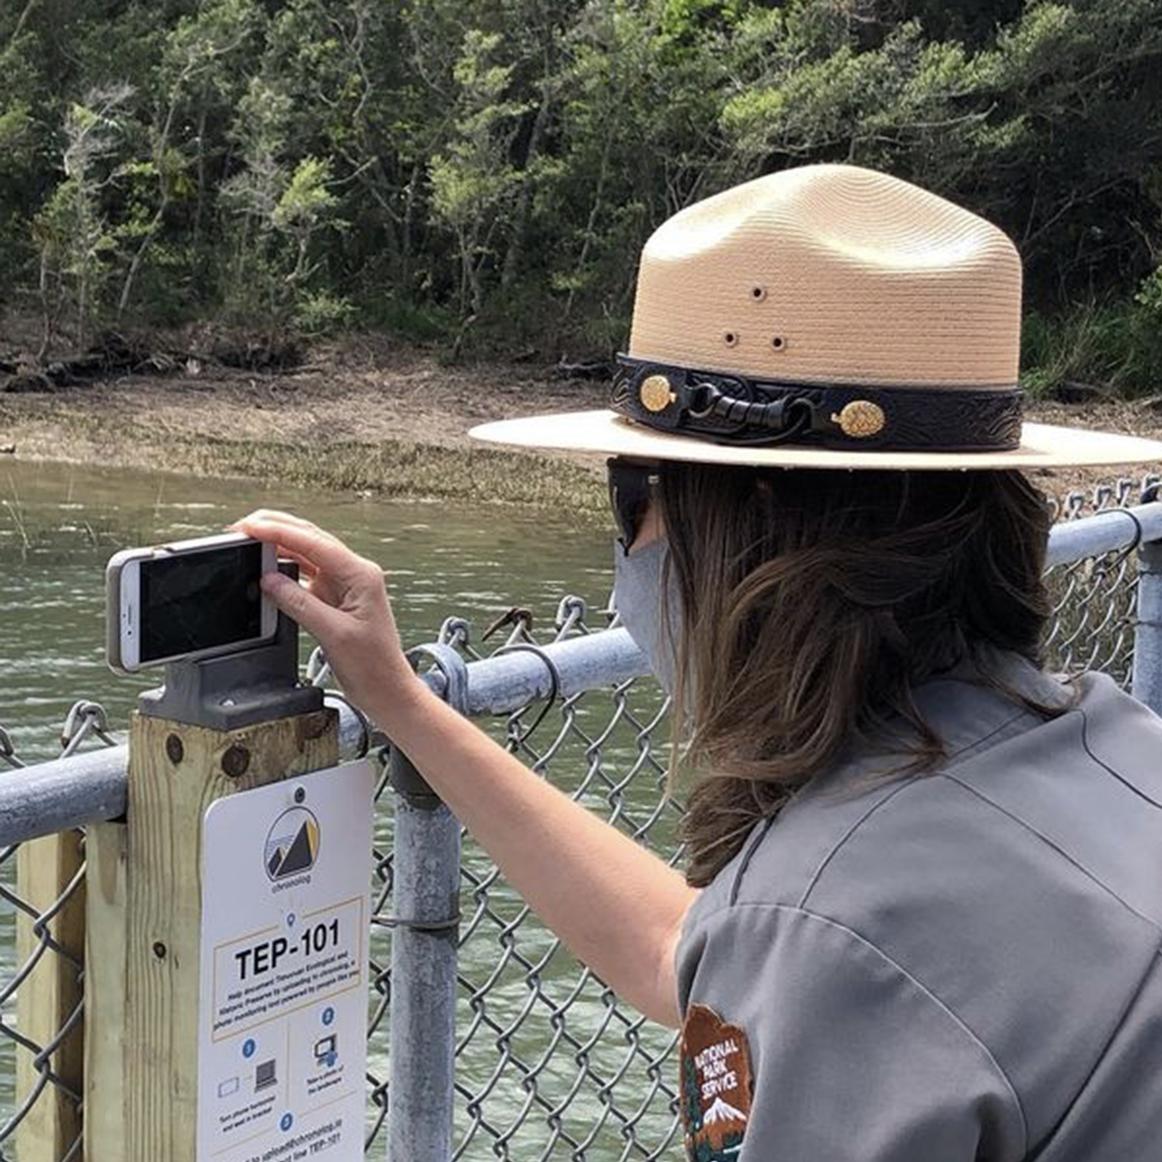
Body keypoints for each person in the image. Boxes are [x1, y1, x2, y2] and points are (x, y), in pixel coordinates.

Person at [236, 165, 1162, 1161]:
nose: (627, 550)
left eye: (629, 497)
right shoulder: (1111, 749)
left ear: (748, 539)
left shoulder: (827, 922)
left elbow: (801, 946)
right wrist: (405, 701)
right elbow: (695, 952)